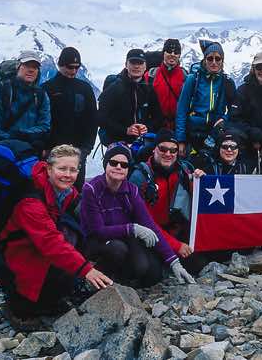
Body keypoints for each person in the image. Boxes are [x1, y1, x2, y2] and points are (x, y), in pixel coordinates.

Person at [0, 145, 112, 327]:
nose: (68, 174)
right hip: (19, 256)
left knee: (72, 258)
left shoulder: (65, 192)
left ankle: (52, 292)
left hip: (39, 249)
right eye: (62, 169)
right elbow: (51, 243)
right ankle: (15, 305)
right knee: (29, 307)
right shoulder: (31, 202)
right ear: (49, 169)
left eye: (73, 170)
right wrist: (86, 270)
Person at [80, 143, 195, 286]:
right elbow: (98, 230)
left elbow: (149, 224)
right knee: (117, 250)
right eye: (113, 163)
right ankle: (96, 279)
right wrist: (132, 228)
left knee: (152, 273)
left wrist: (174, 262)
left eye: (124, 165)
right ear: (105, 165)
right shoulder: (91, 189)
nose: (119, 167)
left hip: (124, 237)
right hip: (97, 241)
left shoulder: (131, 190)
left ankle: (122, 280)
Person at [127, 129, 195, 264]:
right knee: (149, 273)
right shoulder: (140, 177)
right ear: (154, 150)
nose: (168, 154)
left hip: (174, 230)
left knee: (197, 263)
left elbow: (197, 202)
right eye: (163, 149)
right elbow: (143, 221)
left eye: (173, 150)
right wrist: (176, 245)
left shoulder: (184, 172)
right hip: (147, 233)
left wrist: (200, 180)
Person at [42, 47, 97, 190]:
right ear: (60, 64)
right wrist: (44, 149)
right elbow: (42, 122)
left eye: (77, 67)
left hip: (78, 152)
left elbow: (92, 121)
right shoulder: (47, 89)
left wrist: (86, 149)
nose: (73, 71)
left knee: (76, 193)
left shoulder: (84, 89)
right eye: (69, 67)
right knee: (50, 192)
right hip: (53, 153)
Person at [0, 50, 51, 154]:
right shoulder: (0, 91)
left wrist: (23, 135)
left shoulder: (41, 95)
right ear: (18, 66)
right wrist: (13, 139)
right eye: (27, 65)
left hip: (29, 150)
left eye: (35, 67)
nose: (31, 70)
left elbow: (45, 125)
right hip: (2, 149)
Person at [175, 40, 236, 157]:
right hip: (192, 134)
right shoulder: (193, 79)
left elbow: (234, 109)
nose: (214, 62)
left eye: (217, 59)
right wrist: (181, 140)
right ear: (204, 60)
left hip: (214, 134)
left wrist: (224, 119)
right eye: (210, 58)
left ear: (222, 61)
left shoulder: (227, 82)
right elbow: (181, 110)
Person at [98, 49, 163, 145]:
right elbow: (101, 118)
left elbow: (158, 118)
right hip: (117, 142)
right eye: (133, 62)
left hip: (142, 142)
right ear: (126, 65)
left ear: (145, 66)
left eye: (140, 63)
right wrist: (125, 130)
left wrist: (147, 128)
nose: (136, 66)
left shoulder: (149, 89)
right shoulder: (114, 88)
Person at [145, 39, 187, 131]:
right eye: (169, 51)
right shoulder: (151, 75)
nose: (172, 54)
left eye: (176, 52)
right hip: (155, 126)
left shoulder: (185, 77)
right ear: (163, 53)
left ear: (179, 55)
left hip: (178, 127)